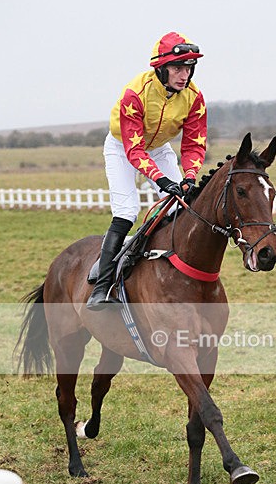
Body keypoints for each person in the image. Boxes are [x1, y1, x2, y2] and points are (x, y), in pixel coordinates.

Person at [87, 31, 207, 309]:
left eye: (189, 68)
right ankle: (102, 287)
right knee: (127, 212)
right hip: (122, 148)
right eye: (178, 68)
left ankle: (169, 268)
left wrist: (189, 176)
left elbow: (193, 145)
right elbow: (134, 150)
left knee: (182, 204)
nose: (184, 75)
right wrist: (161, 179)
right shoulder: (135, 93)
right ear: (161, 68)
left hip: (158, 148)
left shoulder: (195, 97)